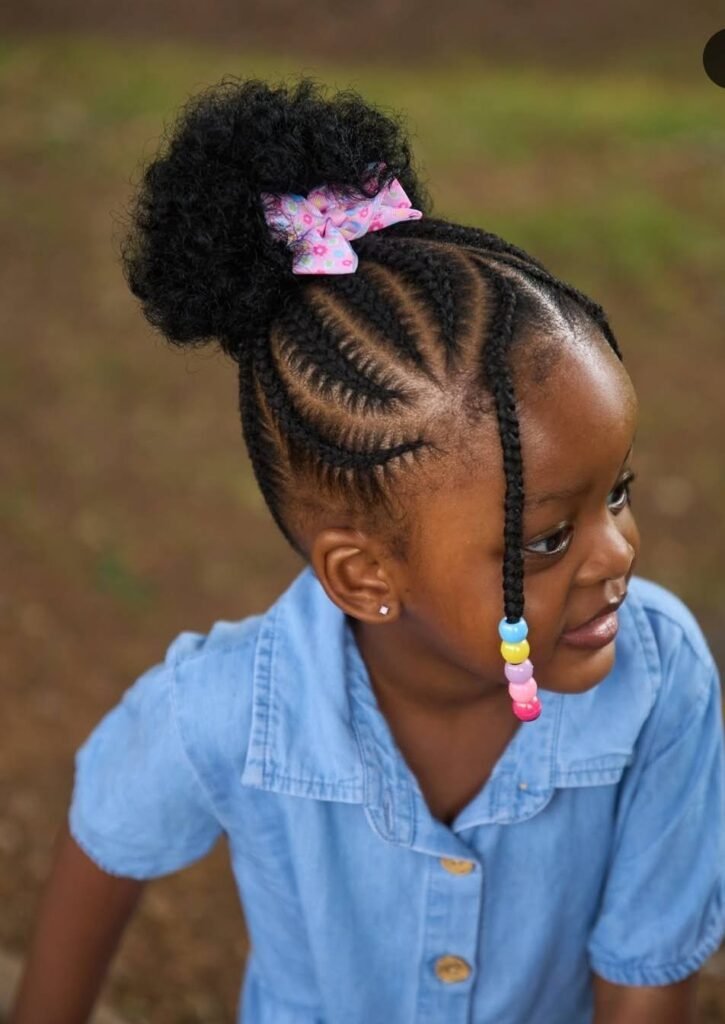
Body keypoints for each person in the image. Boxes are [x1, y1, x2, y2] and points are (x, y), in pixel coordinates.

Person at [9, 76, 725, 1024]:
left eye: (618, 494)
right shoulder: (231, 710)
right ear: (364, 576)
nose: (616, 555)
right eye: (547, 539)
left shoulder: (659, 679)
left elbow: (645, 976)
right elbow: (107, 835)